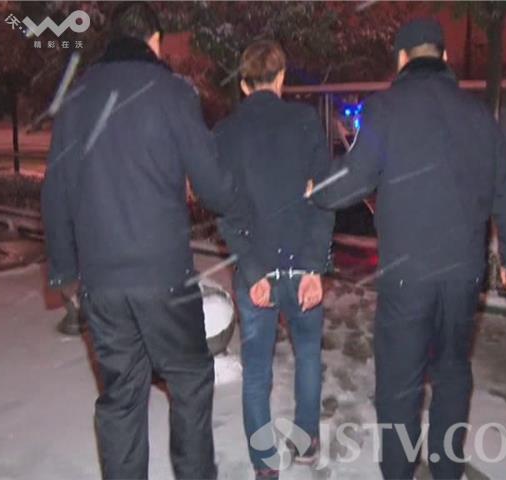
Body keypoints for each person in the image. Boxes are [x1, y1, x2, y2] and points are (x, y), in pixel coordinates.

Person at [41, 3, 266, 479]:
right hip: (163, 275)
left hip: (101, 279)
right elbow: (212, 185)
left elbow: (55, 190)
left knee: (121, 395)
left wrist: (63, 271)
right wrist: (240, 199)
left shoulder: (77, 99)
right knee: (189, 380)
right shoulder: (171, 93)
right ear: (155, 40)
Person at [309, 19, 506, 480]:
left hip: (407, 275)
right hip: (464, 274)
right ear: (444, 57)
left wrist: (317, 191)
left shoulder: (386, 108)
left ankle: (399, 470)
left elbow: (356, 176)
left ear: (401, 59)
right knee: (452, 373)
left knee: (400, 382)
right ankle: (447, 469)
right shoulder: (477, 114)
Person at [213, 40, 335, 480]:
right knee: (308, 355)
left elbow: (227, 212)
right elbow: (325, 197)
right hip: (302, 266)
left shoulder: (226, 134)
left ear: (244, 84)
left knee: (256, 372)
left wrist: (252, 270)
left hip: (257, 271)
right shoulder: (306, 123)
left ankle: (264, 464)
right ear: (281, 77)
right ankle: (305, 442)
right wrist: (313, 266)